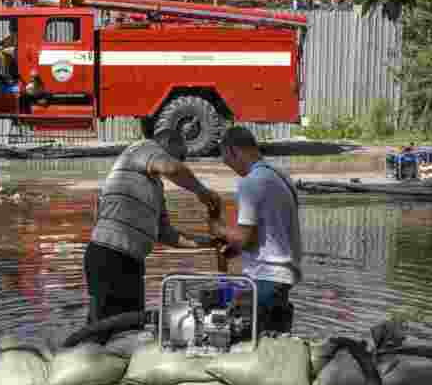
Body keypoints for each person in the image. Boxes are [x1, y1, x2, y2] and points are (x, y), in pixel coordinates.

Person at [85, 127, 222, 326]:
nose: (182, 161)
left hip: (132, 261)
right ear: (169, 145)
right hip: (108, 255)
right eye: (181, 155)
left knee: (130, 327)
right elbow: (172, 168)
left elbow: (167, 235)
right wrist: (202, 192)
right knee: (102, 328)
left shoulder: (156, 188)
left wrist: (210, 243)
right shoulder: (142, 147)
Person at [209, 125, 303, 336]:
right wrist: (232, 248)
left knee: (242, 342)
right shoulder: (281, 177)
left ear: (233, 151)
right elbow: (270, 234)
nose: (230, 167)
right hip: (282, 280)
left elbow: (246, 239)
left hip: (264, 280)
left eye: (227, 161)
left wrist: (220, 229)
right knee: (273, 349)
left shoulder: (250, 183)